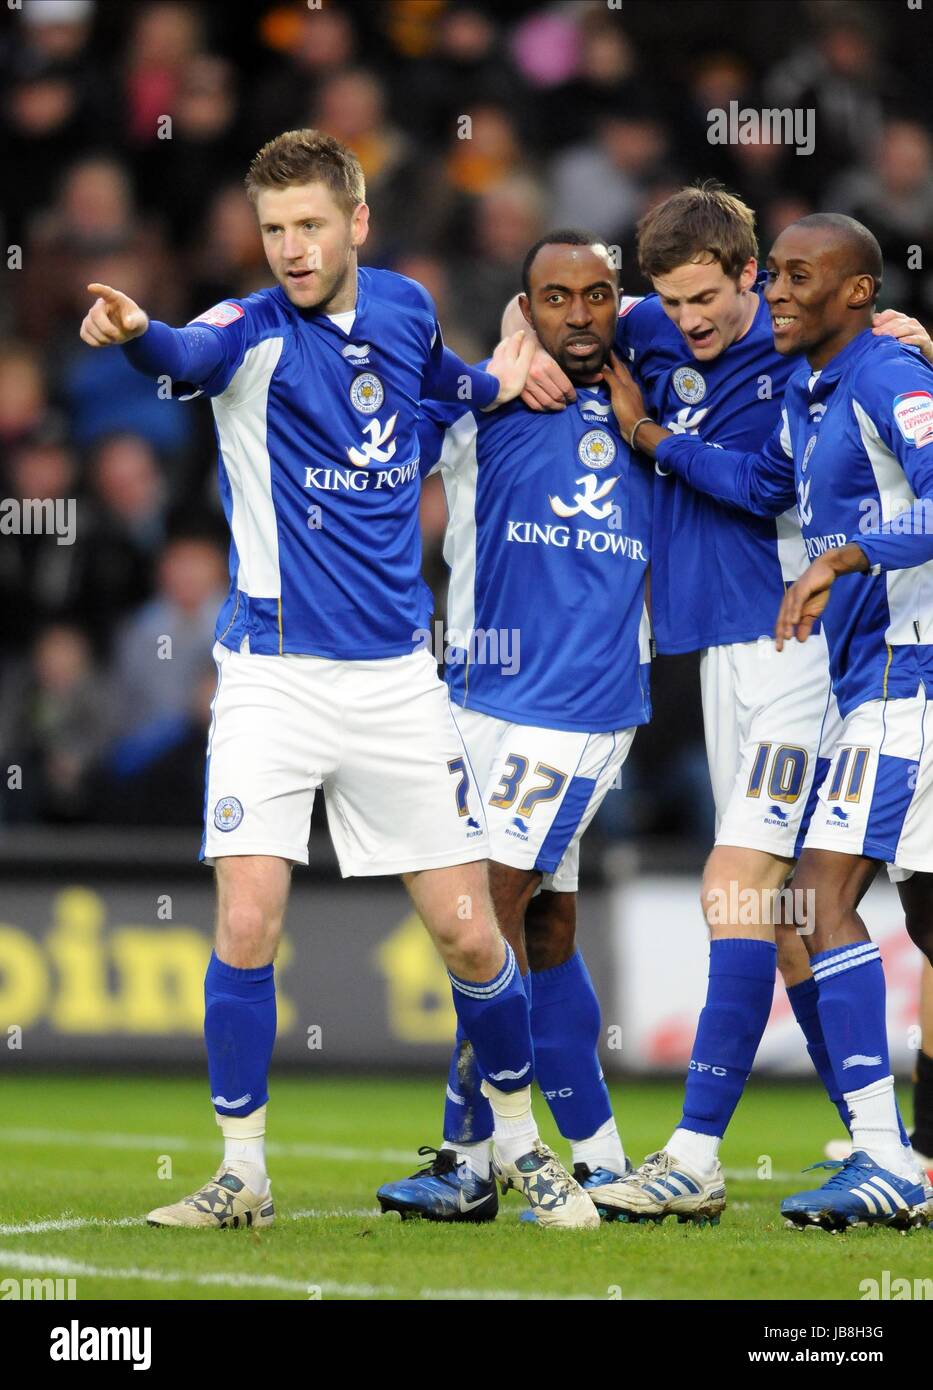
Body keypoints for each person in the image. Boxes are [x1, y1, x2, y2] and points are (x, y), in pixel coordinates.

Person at [79, 127, 599, 1231]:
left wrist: (498, 375)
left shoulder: (406, 307)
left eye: (311, 225)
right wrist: (134, 333)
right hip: (270, 677)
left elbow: (442, 385)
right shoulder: (248, 331)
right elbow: (179, 351)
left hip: (395, 684)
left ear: (357, 222)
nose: (291, 249)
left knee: (471, 934)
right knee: (248, 914)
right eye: (273, 230)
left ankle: (519, 1147)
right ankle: (242, 1174)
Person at [506, 183, 931, 1225]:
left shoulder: (803, 347)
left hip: (800, 654)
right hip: (713, 653)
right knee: (788, 924)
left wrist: (650, 434)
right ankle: (883, 1145)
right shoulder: (653, 322)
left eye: (714, 298)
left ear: (754, 279)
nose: (690, 321)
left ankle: (698, 1153)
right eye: (672, 302)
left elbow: (774, 480)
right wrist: (518, 340)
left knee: (740, 887)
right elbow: (558, 306)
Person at [376, 231, 650, 1220]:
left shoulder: (651, 395)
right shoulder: (488, 400)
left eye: (598, 295)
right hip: (475, 699)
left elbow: (740, 325)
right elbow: (393, 433)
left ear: (621, 301)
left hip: (577, 708)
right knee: (540, 924)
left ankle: (475, 1156)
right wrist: (492, 365)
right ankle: (608, 1161)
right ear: (524, 307)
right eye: (555, 297)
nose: (579, 314)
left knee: (480, 918)